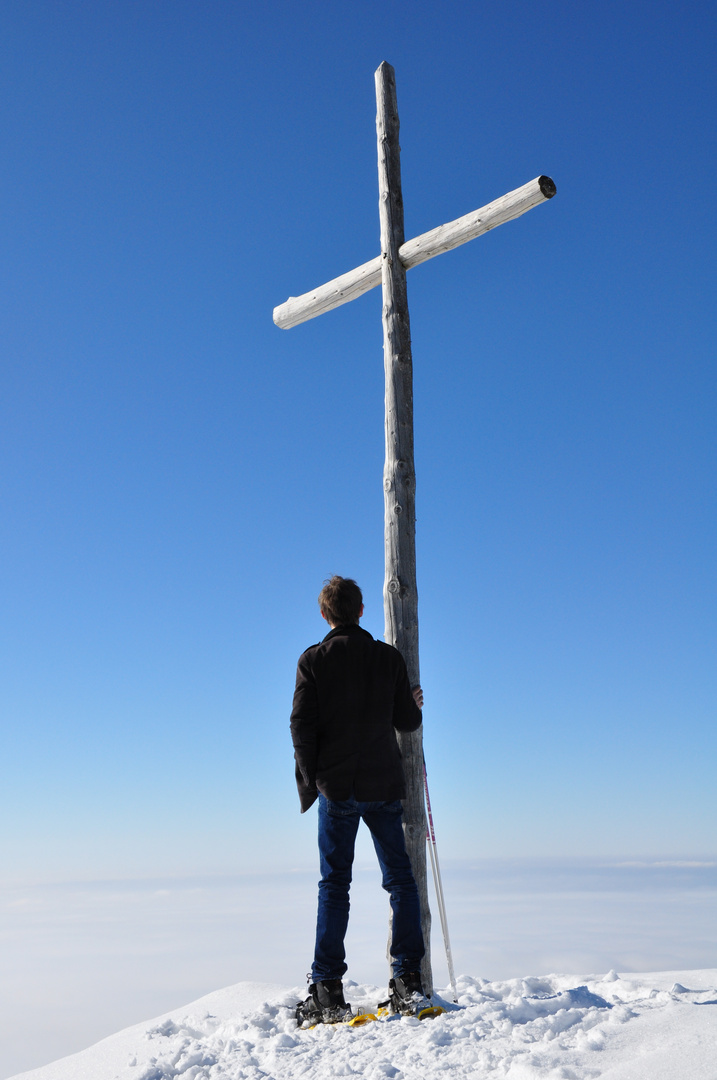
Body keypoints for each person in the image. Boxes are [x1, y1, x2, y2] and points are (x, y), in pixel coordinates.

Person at [290, 575, 430, 1025]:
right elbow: (407, 723)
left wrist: (314, 781)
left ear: (325, 614)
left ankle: (327, 990)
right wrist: (413, 702)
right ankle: (408, 981)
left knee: (334, 886)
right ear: (362, 610)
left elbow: (300, 727)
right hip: (383, 786)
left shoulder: (313, 661)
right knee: (401, 882)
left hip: (339, 789)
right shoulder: (387, 658)